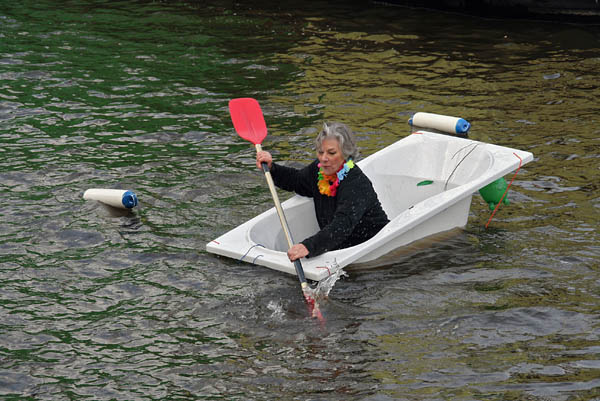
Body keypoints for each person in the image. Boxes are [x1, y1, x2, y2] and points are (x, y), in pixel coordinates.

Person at [256, 122, 389, 262]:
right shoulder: (319, 170)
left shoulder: (356, 183)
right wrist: (272, 168)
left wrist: (308, 246)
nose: (324, 158)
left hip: (374, 247)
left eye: (331, 153)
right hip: (341, 247)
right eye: (320, 152)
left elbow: (341, 226)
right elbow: (296, 180)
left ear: (346, 154)